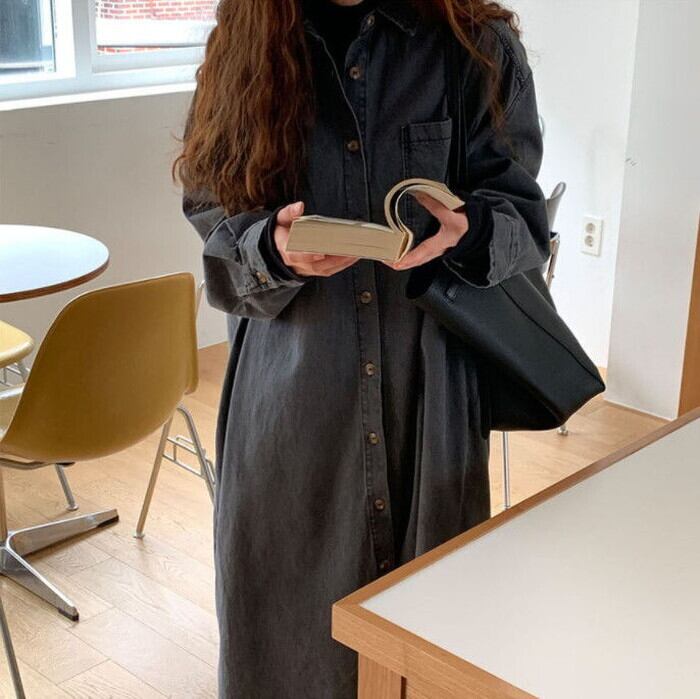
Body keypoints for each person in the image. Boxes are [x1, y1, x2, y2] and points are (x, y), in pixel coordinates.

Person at [174, 0, 550, 696]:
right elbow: (210, 208)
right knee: (287, 643)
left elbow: (522, 215)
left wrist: (468, 232)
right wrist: (271, 246)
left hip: (429, 395)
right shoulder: (243, 46)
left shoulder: (476, 47)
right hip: (291, 397)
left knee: (430, 635)